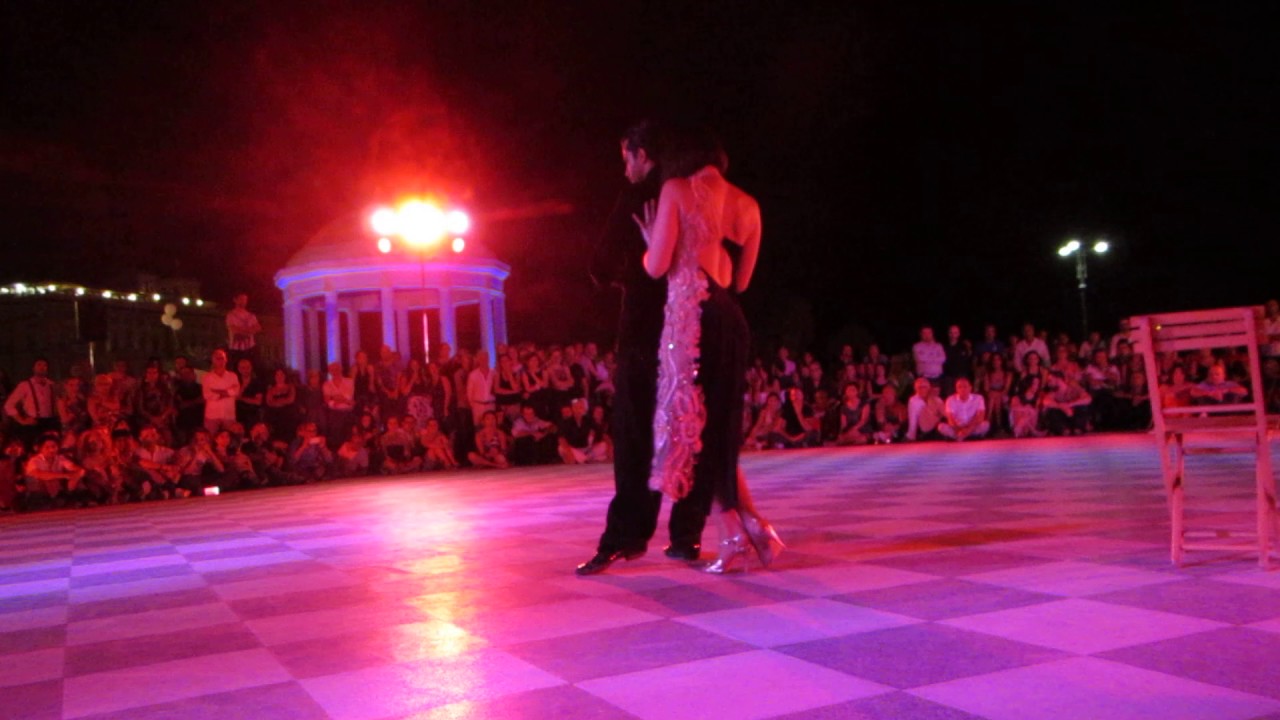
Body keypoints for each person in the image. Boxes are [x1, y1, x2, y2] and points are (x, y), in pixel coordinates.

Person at [636, 125, 782, 574]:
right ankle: (755, 529)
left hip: (691, 317)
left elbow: (657, 266)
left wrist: (649, 241)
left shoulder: (677, 190)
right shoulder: (748, 204)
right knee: (718, 427)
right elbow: (742, 281)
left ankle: (733, 534)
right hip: (729, 317)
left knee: (694, 429)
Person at [576, 121, 711, 575]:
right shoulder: (692, 190)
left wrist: (624, 276)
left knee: (636, 434)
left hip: (645, 331)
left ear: (641, 154)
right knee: (688, 427)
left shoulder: (641, 196)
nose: (625, 169)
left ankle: (626, 536)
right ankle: (687, 534)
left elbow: (600, 264)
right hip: (692, 327)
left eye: (626, 158)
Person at [225, 292, 263, 369]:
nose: (243, 301)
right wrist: (249, 330)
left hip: (250, 348)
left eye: (245, 299)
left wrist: (241, 330)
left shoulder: (251, 315)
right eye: (241, 299)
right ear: (235, 300)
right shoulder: (231, 315)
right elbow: (234, 330)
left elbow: (258, 328)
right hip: (235, 348)